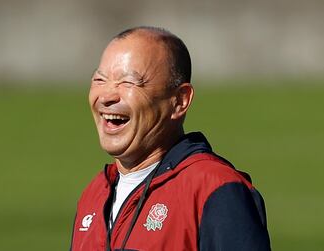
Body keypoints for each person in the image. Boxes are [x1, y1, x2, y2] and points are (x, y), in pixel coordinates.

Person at [70, 26, 271, 251]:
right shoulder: (95, 194)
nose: (107, 96)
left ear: (179, 101)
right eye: (99, 80)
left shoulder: (214, 189)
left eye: (128, 82)